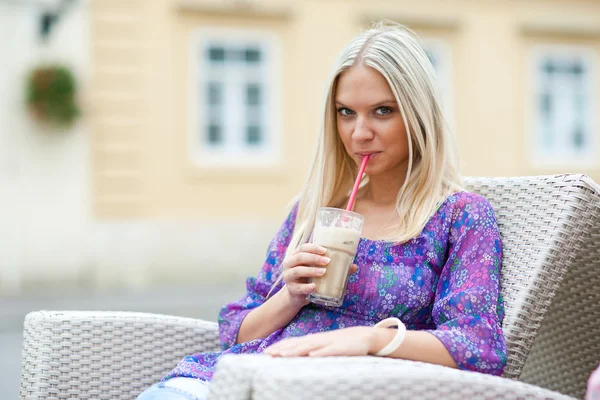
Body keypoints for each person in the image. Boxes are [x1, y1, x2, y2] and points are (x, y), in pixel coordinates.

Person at [136, 22, 507, 399]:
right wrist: (290, 296)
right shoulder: (314, 210)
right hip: (243, 379)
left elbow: (479, 346)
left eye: (382, 111)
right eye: (346, 112)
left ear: (418, 113)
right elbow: (236, 331)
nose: (359, 133)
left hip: (336, 388)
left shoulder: (460, 217)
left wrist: (369, 339)